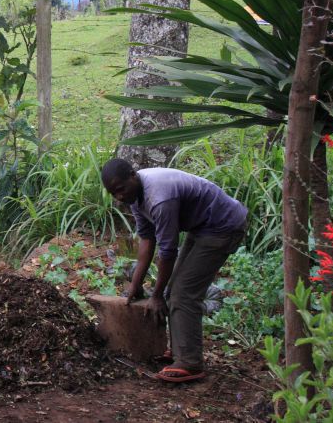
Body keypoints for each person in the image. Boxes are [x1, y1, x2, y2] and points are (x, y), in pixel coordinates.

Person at [100, 158, 247, 383]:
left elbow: (168, 252)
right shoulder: (135, 197)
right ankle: (181, 349)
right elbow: (147, 241)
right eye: (113, 193)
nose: (119, 197)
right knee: (172, 291)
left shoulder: (160, 198)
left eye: (120, 189)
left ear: (133, 175)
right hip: (202, 227)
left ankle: (190, 362)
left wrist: (156, 295)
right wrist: (136, 284)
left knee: (183, 293)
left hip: (222, 226)